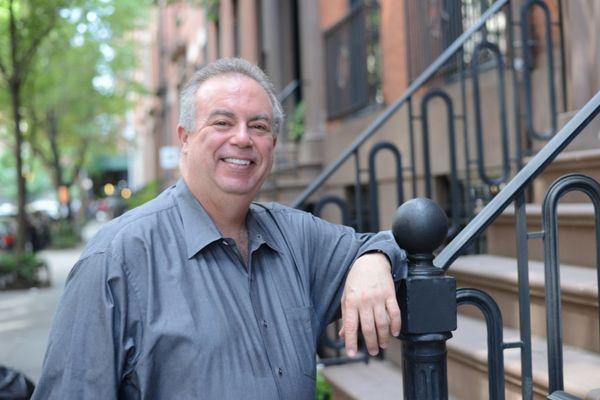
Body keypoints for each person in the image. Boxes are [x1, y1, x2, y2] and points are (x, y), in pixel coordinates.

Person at [33, 58, 406, 399]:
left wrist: (374, 258)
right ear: (185, 138)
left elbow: (403, 245)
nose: (242, 138)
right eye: (222, 122)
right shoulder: (116, 259)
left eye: (258, 126)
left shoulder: (297, 237)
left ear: (272, 145)